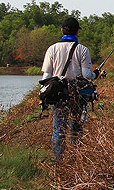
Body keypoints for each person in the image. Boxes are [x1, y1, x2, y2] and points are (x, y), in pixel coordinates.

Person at [40, 17, 102, 161]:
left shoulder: (52, 49)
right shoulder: (83, 50)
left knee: (59, 130)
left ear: (62, 30)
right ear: (77, 32)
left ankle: (58, 161)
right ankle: (76, 159)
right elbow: (87, 75)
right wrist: (96, 74)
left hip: (59, 95)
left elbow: (47, 76)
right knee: (76, 127)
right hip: (77, 95)